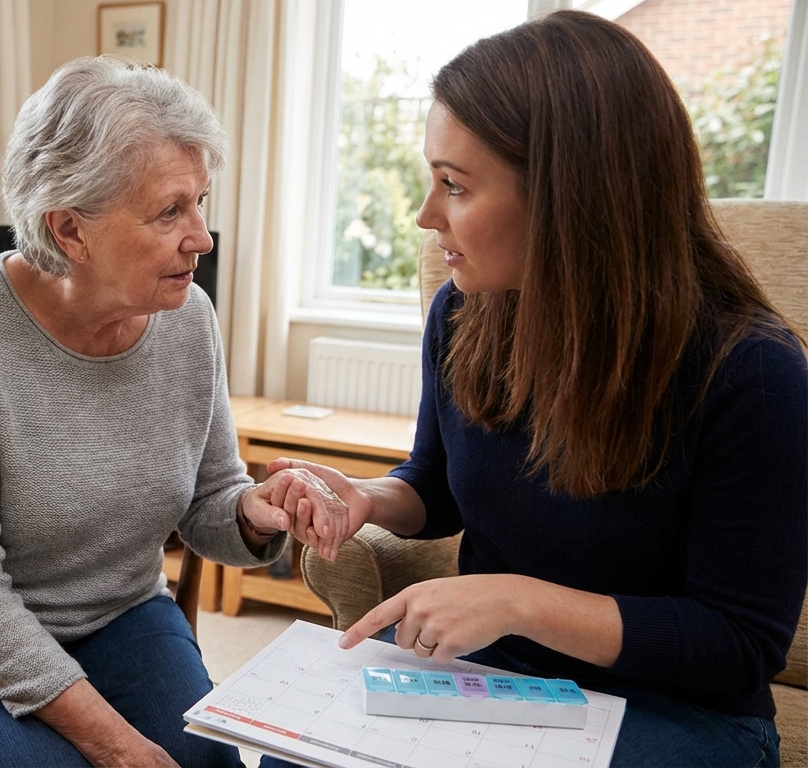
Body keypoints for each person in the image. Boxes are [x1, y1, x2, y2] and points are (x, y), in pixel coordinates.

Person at [266, 11, 806, 767]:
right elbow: (436, 485)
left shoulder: (752, 372)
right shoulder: (466, 313)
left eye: (453, 186)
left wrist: (518, 601)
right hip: (493, 675)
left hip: (676, 713)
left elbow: (739, 645)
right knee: (296, 753)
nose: (425, 218)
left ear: (569, 196)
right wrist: (366, 498)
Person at [0, 55, 349, 767]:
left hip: (118, 614)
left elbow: (210, 498)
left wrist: (256, 511)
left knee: (209, 763)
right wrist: (119, 747)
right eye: (169, 211)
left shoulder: (189, 319)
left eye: (200, 202)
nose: (202, 237)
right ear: (69, 231)